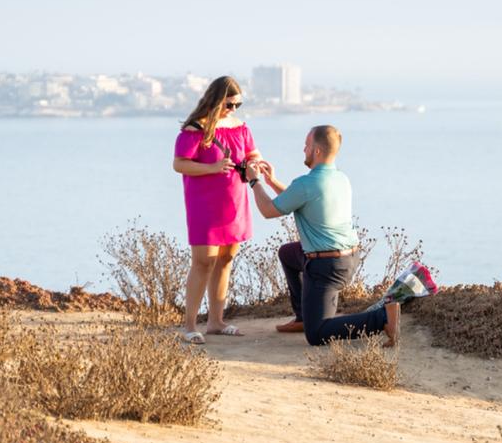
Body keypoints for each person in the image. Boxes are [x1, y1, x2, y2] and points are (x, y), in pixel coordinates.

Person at [248, 124, 400, 347]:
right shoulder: (340, 179)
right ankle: (303, 315)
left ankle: (383, 318)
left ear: (316, 151)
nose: (303, 150)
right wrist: (271, 182)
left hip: (327, 267)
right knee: (288, 253)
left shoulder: (307, 184)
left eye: (306, 145)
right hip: (347, 258)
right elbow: (296, 200)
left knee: (317, 333)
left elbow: (269, 211)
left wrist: (255, 181)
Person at [171, 75, 262, 345]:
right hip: (205, 205)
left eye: (238, 105)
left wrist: (255, 164)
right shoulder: (195, 129)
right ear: (216, 100)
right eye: (229, 104)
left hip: (235, 200)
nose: (233, 110)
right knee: (203, 262)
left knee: (226, 259)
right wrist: (211, 168)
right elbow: (179, 164)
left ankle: (216, 321)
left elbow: (252, 154)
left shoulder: (240, 127)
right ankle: (189, 325)